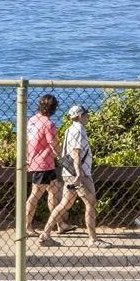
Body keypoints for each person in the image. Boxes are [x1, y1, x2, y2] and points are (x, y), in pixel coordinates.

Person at [43, 105, 103, 246]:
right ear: (80, 116)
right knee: (90, 203)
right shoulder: (79, 129)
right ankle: (93, 239)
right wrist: (79, 173)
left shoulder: (70, 129)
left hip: (68, 171)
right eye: (86, 114)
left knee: (65, 204)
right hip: (79, 173)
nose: (88, 117)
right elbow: (76, 152)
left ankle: (45, 233)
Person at [23, 94, 62, 237]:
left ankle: (60, 223)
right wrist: (62, 155)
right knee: (35, 195)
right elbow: (53, 143)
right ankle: (26, 226)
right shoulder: (48, 124)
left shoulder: (32, 121)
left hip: (36, 160)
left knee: (55, 190)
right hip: (44, 163)